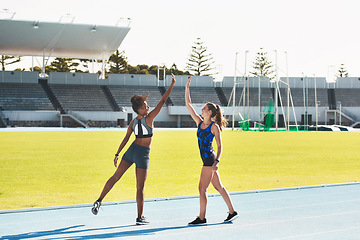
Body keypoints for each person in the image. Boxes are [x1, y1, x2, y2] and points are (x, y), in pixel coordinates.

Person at [91, 74, 176, 225]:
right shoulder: (149, 118)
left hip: (131, 151)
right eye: (145, 106)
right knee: (140, 187)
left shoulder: (132, 122)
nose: (148, 107)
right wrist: (172, 85)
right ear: (139, 109)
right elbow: (163, 101)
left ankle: (99, 200)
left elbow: (126, 139)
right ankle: (139, 217)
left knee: (116, 176)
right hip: (143, 154)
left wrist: (117, 154)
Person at [185, 76, 238, 225]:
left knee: (202, 188)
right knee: (218, 187)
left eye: (204, 108)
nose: (201, 109)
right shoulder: (199, 122)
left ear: (209, 112)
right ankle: (232, 211)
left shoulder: (214, 127)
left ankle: (202, 218)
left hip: (209, 160)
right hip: (208, 160)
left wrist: (217, 162)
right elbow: (188, 104)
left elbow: (220, 146)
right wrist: (187, 88)